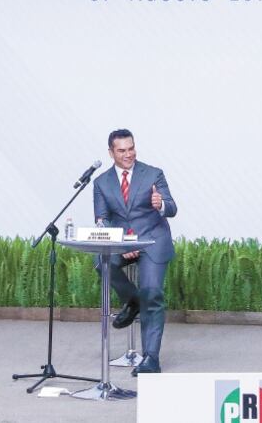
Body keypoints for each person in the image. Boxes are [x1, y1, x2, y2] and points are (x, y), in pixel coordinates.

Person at [93, 129, 178, 375]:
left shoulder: (153, 174)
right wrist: (122, 243)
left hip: (153, 239)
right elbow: (102, 220)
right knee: (102, 262)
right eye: (122, 150)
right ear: (111, 153)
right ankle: (134, 300)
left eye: (131, 148)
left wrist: (160, 203)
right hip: (123, 242)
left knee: (151, 291)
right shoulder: (101, 183)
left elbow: (172, 208)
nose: (128, 154)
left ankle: (151, 358)